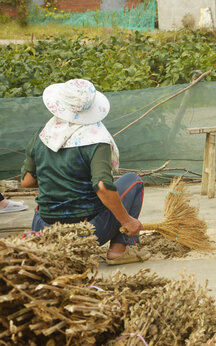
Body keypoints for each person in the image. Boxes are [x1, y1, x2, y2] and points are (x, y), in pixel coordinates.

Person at [20, 79, 149, 265]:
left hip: (44, 229)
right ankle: (120, 250)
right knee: (133, 181)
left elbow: (27, 181)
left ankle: (53, 247)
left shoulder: (43, 134)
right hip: (88, 232)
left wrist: (57, 179)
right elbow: (103, 187)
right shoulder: (96, 140)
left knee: (44, 206)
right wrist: (127, 220)